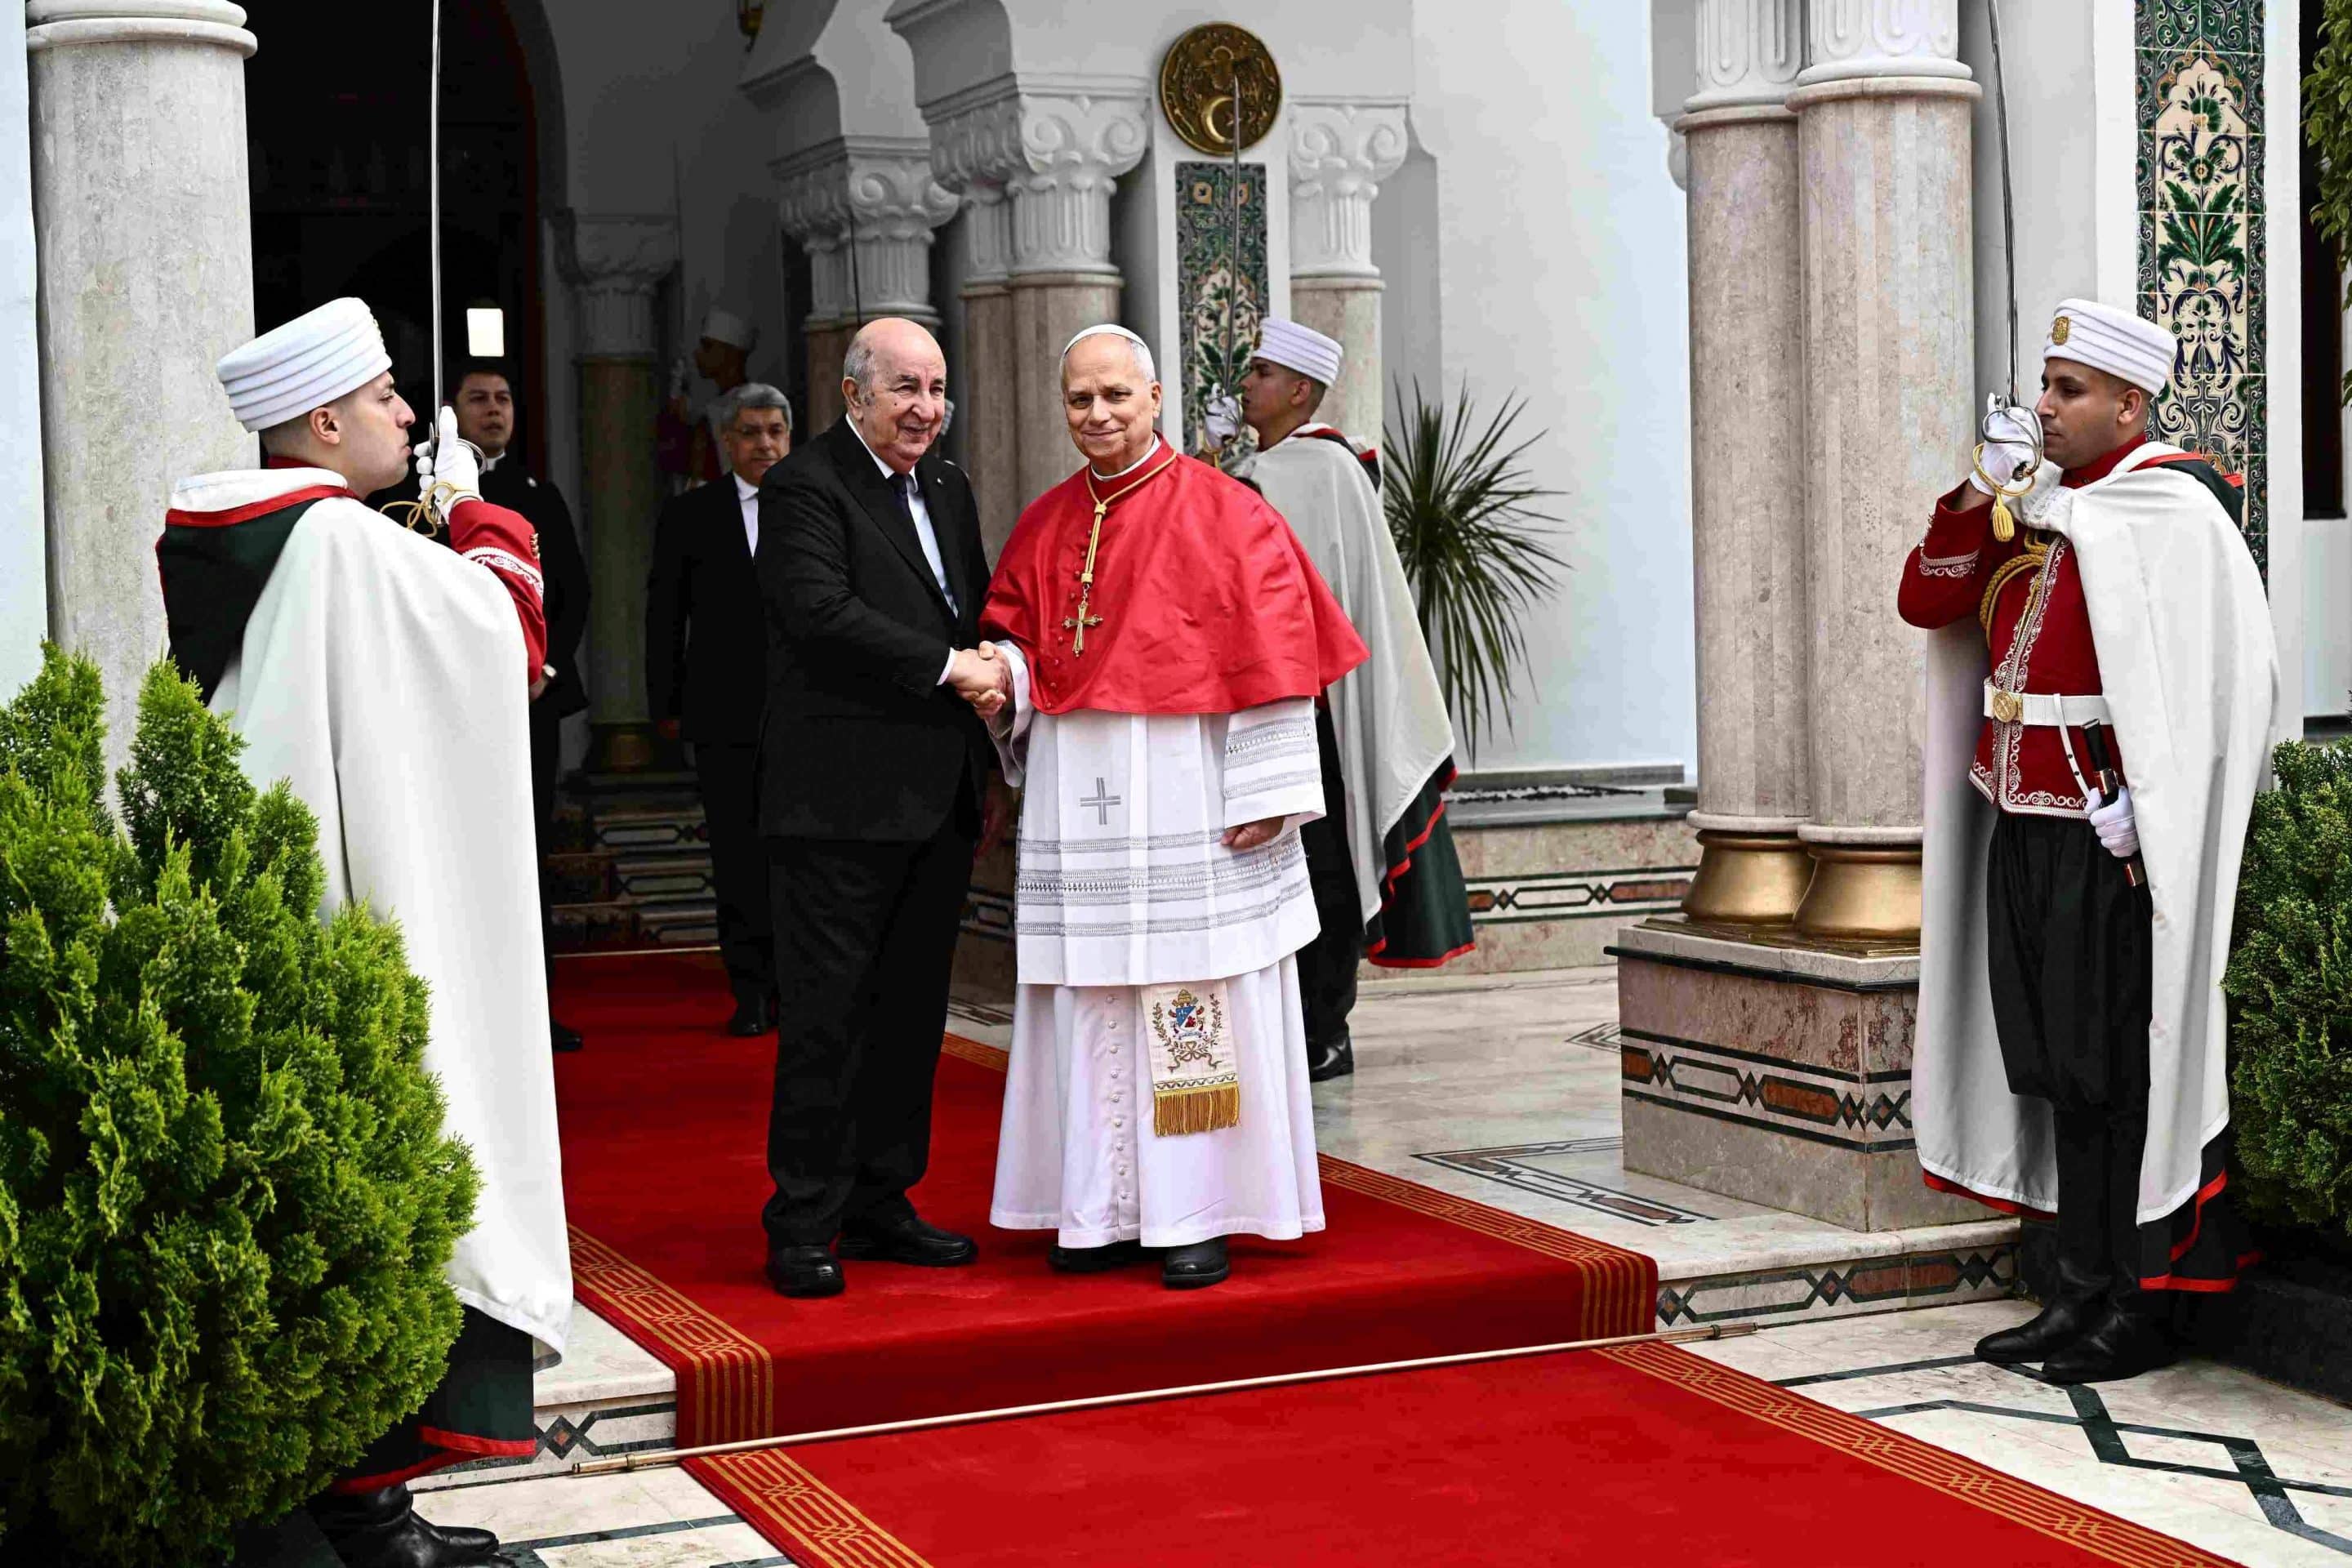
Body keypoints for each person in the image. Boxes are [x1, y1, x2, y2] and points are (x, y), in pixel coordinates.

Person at [157, 298, 568, 1566]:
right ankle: (365, 1512)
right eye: (387, 396)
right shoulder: (336, 540)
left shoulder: (252, 535)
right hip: (361, 923)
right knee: (389, 1199)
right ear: (326, 423)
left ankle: (367, 1506)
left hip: (298, 918)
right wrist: (481, 515)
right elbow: (504, 637)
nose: (407, 414)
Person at [1900, 298, 2281, 1384]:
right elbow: (1924, 600)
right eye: (2045, 385)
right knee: (2061, 1071)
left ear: (2128, 403)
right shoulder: (2039, 510)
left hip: (2111, 843)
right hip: (2020, 825)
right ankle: (2076, 1290)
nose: (2046, 406)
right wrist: (1976, 492)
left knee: (2114, 1071)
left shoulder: (2173, 510)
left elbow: (2211, 685)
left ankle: (2135, 1304)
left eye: (2069, 391)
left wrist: (2141, 803)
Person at [974, 325, 1367, 1290]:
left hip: (1194, 802)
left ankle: (1194, 1212)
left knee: (1190, 994)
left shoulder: (1227, 514)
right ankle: (1097, 1208)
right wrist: (1004, 678)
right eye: (1080, 399)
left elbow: (1280, 659)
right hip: (1080, 803)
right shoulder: (1046, 523)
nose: (1098, 414)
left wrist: (1271, 789)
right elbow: (1026, 652)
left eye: (1116, 395)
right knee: (1092, 996)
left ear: (1156, 399)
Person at [753, 318, 1009, 1298]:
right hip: (837, 805)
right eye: (905, 388)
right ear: (854, 394)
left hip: (937, 798)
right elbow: (819, 613)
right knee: (829, 1017)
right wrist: (951, 668)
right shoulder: (804, 486)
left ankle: (882, 1200)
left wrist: (999, 699)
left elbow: (970, 611)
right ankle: (802, 1220)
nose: (925, 409)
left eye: (937, 389)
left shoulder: (948, 485)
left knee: (911, 1016)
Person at [1230, 318, 1473, 1081]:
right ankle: (1289, 1026)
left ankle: (1324, 1030)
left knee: (1323, 872)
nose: (1247, 383)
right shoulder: (1270, 466)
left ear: (1300, 392)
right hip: (1266, 705)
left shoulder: (1321, 468)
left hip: (1318, 716)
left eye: (1262, 373)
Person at [451, 359, 592, 1053]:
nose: (493, 409)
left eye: (503, 398)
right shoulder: (426, 496)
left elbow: (573, 593)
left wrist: (546, 668)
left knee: (528, 854)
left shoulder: (539, 494)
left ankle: (534, 1011)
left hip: (529, 706)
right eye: (478, 398)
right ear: (453, 411)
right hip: (452, 710)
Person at [647, 383, 793, 1035]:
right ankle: (752, 991)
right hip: (723, 716)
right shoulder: (692, 514)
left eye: (775, 431)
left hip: (802, 716)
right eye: (751, 432)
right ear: (728, 441)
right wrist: (665, 702)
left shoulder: (814, 508)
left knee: (797, 857)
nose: (765, 444)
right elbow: (662, 614)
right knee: (737, 856)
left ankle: (797, 988)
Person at [660, 305, 755, 486]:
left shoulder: (746, 409)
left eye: (707, 347)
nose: (698, 354)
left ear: (731, 354)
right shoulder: (715, 409)